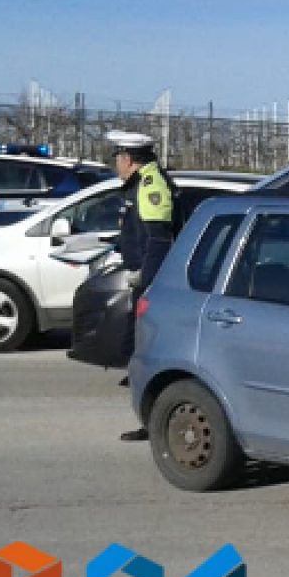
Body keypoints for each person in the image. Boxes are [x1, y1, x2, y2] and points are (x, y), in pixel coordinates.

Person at [107, 130, 176, 442]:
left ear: (130, 161)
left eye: (118, 159)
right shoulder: (137, 185)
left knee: (147, 353)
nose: (116, 165)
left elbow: (158, 240)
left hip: (150, 284)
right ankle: (153, 420)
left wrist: (146, 282)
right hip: (143, 279)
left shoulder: (150, 187)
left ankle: (155, 422)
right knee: (139, 351)